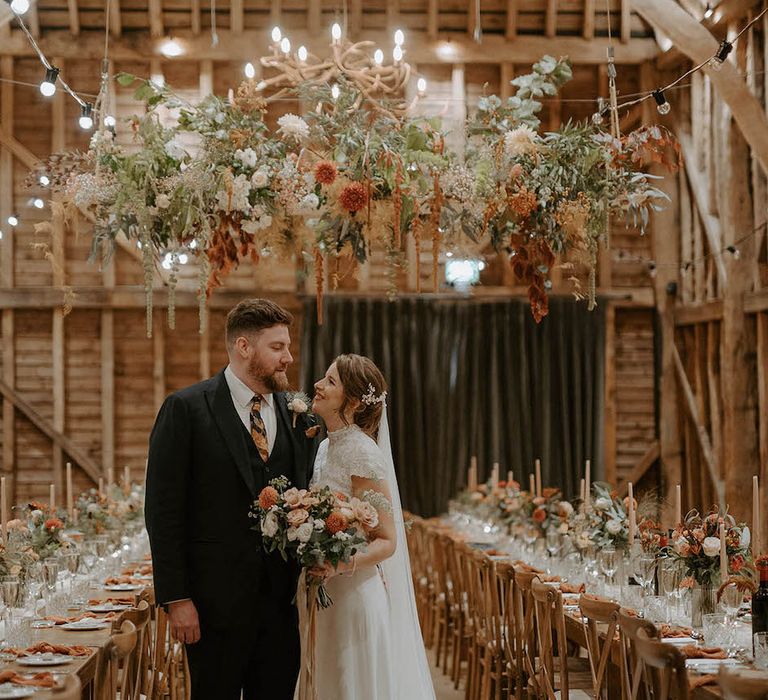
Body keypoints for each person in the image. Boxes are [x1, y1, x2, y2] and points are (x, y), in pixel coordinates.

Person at [144, 298, 318, 699]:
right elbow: (163, 511)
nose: (288, 358)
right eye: (277, 347)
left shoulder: (300, 417)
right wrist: (177, 598)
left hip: (279, 607)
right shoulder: (185, 409)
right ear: (244, 347)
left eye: (288, 347)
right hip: (210, 607)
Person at [307, 353, 436, 699]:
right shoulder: (323, 448)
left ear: (350, 401)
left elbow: (387, 540)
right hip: (324, 594)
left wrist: (338, 564)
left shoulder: (363, 453)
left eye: (330, 381)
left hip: (353, 595)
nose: (318, 385)